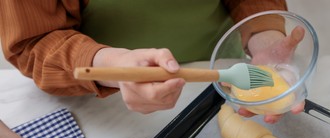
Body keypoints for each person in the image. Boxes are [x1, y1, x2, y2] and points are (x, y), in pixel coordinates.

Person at [0, 0, 304, 123]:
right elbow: (33, 42)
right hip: (104, 101)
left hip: (221, 71)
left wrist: (263, 37)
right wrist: (113, 64)